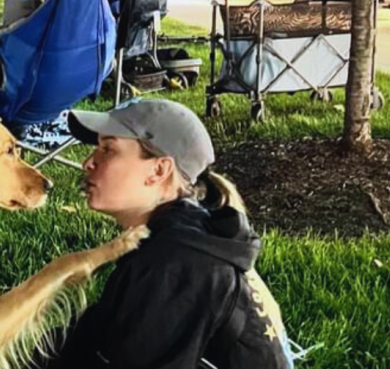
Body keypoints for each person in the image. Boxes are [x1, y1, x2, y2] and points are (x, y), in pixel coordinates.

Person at [42, 99, 293, 369]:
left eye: (108, 150)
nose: (88, 162)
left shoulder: (177, 264)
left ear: (159, 170)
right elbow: (97, 334)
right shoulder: (176, 238)